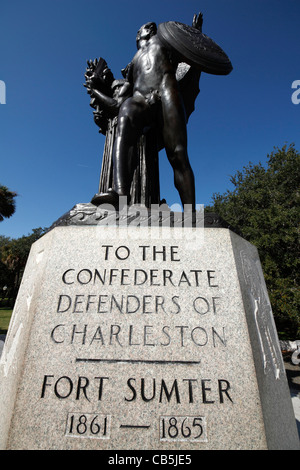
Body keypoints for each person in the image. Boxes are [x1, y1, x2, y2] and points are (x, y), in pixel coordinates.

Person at [96, 16, 204, 212]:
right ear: (139, 34)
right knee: (125, 115)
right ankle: (120, 193)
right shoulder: (133, 63)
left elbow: (189, 53)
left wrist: (195, 32)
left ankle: (190, 212)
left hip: (166, 93)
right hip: (140, 100)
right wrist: (96, 90)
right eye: (147, 26)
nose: (152, 26)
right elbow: (118, 102)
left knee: (178, 154)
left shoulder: (164, 40)